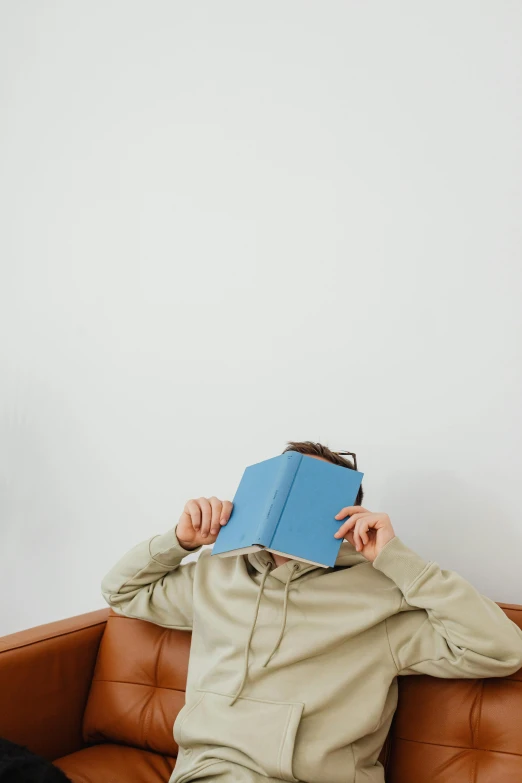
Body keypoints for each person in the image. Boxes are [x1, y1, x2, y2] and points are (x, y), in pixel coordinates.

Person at [101, 440, 522, 783]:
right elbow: (120, 591)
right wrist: (180, 541)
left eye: (307, 489)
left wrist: (397, 560)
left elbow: (502, 650)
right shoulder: (215, 573)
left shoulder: (379, 595)